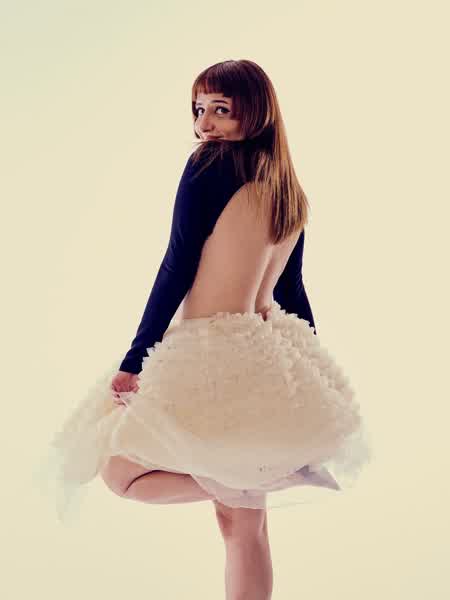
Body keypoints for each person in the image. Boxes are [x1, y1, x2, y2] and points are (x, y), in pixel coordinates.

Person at [34, 59, 373, 600]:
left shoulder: (209, 166)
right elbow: (292, 290)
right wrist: (312, 372)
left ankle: (266, 473)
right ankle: (261, 472)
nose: (205, 124)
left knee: (121, 475)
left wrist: (135, 356)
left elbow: (177, 265)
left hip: (211, 353)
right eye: (198, 110)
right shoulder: (288, 188)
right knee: (242, 527)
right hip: (268, 349)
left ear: (255, 113)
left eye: (221, 110)